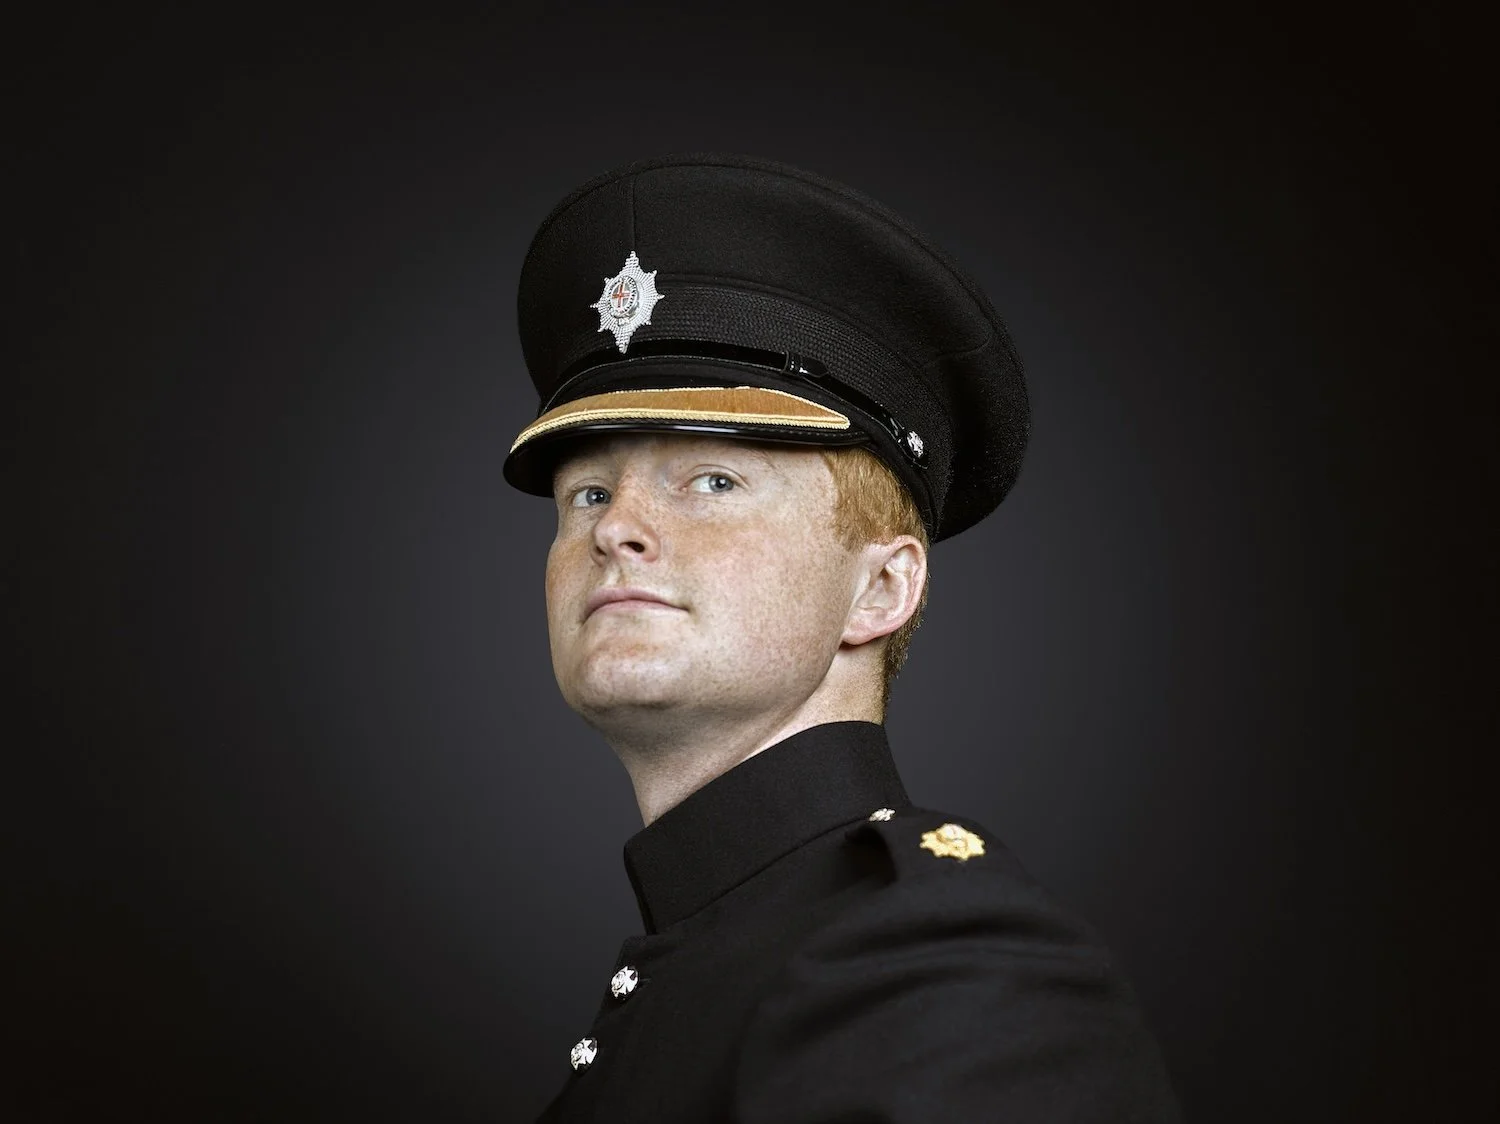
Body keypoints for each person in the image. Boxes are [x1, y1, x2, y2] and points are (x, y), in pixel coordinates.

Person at [504, 154, 1180, 1122]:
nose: (617, 527)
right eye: (590, 492)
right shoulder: (702, 959)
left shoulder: (940, 962)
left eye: (714, 481)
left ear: (881, 587)